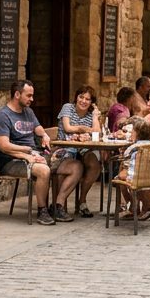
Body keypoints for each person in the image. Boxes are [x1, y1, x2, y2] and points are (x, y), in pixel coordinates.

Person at [0, 79, 63, 226]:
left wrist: (44, 135)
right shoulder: (3, 116)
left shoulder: (28, 112)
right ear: (17, 94)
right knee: (44, 171)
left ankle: (57, 206)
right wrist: (26, 152)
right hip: (12, 160)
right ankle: (42, 210)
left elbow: (38, 128)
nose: (32, 99)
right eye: (29, 95)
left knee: (69, 164)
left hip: (32, 154)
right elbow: (4, 145)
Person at [55, 85, 102, 218]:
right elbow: (68, 128)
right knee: (71, 164)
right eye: (81, 97)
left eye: (88, 99)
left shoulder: (89, 115)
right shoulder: (68, 108)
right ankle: (59, 205)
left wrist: (94, 117)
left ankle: (82, 201)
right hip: (64, 148)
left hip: (82, 149)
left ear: (92, 103)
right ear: (76, 97)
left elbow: (96, 134)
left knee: (94, 165)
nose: (83, 101)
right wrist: (85, 129)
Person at [113, 116, 150, 220]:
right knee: (128, 176)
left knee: (119, 177)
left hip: (137, 177)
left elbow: (127, 165)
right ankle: (135, 206)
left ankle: (133, 204)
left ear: (136, 134)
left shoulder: (132, 148)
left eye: (132, 131)